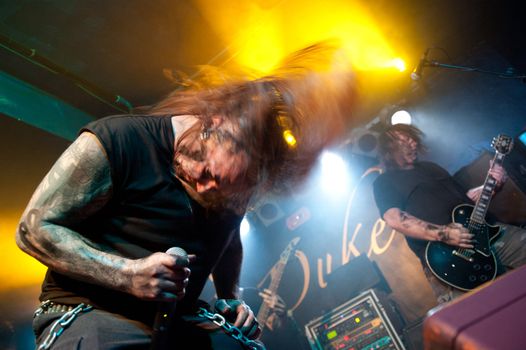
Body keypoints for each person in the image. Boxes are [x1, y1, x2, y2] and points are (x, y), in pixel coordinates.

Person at [15, 54, 355, 349]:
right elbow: (32, 229)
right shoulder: (116, 141)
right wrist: (127, 274)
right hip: (91, 311)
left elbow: (229, 235)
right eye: (208, 171)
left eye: (223, 188)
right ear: (214, 124)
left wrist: (229, 296)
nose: (208, 188)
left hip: (181, 318)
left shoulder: (236, 182)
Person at [373, 124, 526, 304]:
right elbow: (395, 219)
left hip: (487, 233)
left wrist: (492, 184)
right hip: (447, 256)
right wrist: (444, 234)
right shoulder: (384, 182)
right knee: (473, 312)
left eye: (413, 138)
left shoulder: (431, 168)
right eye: (405, 140)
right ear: (389, 149)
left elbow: (466, 199)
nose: (413, 142)